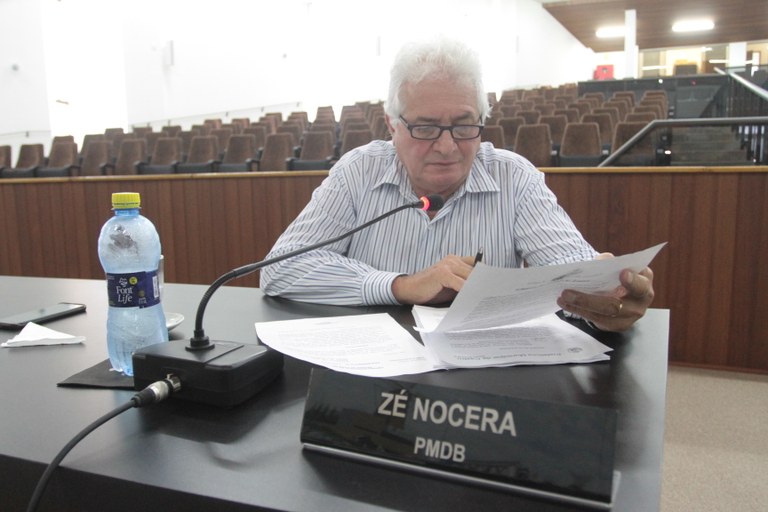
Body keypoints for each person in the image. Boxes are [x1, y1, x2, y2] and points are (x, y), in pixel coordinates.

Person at [260, 36, 654, 332]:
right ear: (392, 126)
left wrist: (606, 293)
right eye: (425, 127)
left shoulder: (514, 178)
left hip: (480, 384)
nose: (447, 147)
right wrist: (401, 286)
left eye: (464, 126)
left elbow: (571, 271)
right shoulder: (357, 172)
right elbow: (281, 269)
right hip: (367, 374)